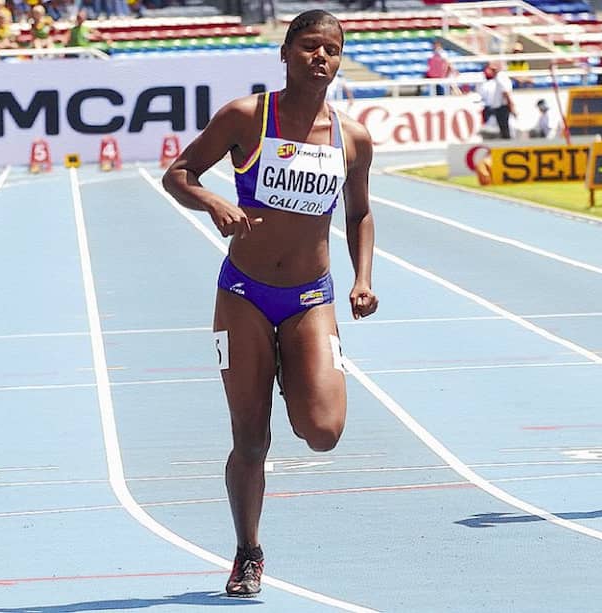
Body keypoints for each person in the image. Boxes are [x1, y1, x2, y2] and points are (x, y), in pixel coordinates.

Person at [161, 9, 378, 599]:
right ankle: (247, 552)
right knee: (251, 436)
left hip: (311, 297)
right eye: (309, 47)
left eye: (331, 50)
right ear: (284, 53)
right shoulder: (245, 118)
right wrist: (211, 201)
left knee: (323, 429)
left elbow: (358, 214)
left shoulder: (352, 138)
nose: (320, 58)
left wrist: (363, 278)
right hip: (244, 296)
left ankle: (296, 375)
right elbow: (177, 173)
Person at [476, 61, 517, 139]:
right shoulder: (498, 78)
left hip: (503, 108)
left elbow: (506, 93)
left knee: (505, 131)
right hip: (500, 108)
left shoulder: (500, 77)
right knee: (503, 131)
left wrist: (512, 107)